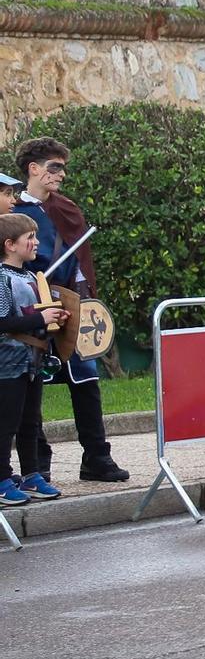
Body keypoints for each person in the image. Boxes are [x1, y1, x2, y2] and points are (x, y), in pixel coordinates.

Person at [12, 138, 127, 483]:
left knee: (87, 379)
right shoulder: (12, 214)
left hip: (71, 305)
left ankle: (96, 457)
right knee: (30, 387)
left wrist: (82, 299)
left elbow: (79, 262)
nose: (61, 174)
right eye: (54, 167)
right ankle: (38, 463)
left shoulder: (66, 208)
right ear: (33, 169)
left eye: (63, 167)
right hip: (30, 306)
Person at [0, 212, 67, 506]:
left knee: (31, 423)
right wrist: (39, 317)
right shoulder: (1, 279)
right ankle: (2, 480)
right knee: (6, 423)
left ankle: (31, 475)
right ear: (10, 244)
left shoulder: (30, 277)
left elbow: (35, 315)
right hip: (7, 364)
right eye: (30, 238)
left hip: (33, 361)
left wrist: (56, 317)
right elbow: (3, 321)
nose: (36, 242)